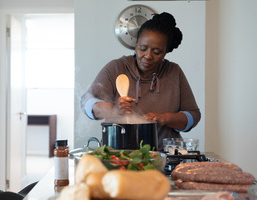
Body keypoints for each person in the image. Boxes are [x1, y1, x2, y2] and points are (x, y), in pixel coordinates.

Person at [81, 12, 201, 150]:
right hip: (117, 155)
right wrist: (114, 109)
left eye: (157, 52)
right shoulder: (116, 68)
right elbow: (86, 102)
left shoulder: (174, 72)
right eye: (143, 49)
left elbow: (193, 116)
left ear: (166, 51)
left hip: (163, 155)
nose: (148, 56)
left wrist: (165, 118)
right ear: (136, 44)